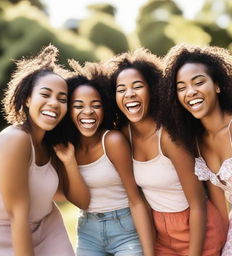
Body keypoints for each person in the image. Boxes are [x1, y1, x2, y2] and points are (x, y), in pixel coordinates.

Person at [108, 48, 226, 256]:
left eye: (137, 86)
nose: (129, 94)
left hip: (199, 231)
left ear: (153, 90)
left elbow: (197, 204)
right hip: (162, 235)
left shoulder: (169, 137)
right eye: (121, 89)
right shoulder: (122, 137)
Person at [53, 60, 155, 256]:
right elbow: (81, 202)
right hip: (88, 232)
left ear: (104, 108)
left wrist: (149, 253)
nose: (88, 112)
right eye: (78, 106)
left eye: (96, 105)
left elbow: (136, 200)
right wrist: (69, 162)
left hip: (126, 230)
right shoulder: (65, 148)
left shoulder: (113, 141)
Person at [159, 43, 232, 256]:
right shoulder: (197, 142)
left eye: (199, 82)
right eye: (181, 87)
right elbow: (221, 208)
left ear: (217, 85)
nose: (191, 92)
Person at [0, 45, 78, 256]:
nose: (54, 103)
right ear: (27, 99)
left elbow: (58, 195)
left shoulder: (50, 143)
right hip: (3, 232)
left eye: (62, 99)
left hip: (47, 227)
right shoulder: (15, 139)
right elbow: (18, 216)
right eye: (45, 94)